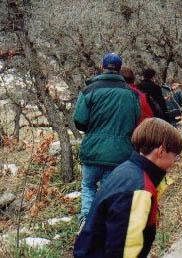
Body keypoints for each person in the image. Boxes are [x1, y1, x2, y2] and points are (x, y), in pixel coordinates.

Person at [74, 118, 182, 258]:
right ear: (161, 151)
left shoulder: (127, 169)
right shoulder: (140, 190)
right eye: (176, 156)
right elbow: (125, 249)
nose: (175, 162)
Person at [73, 52, 140, 226]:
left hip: (93, 150)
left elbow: (79, 121)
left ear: (102, 67)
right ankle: (107, 224)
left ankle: (86, 221)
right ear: (119, 69)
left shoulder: (89, 90)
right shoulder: (130, 94)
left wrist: (93, 129)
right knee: (110, 190)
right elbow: (136, 120)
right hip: (119, 153)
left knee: (88, 187)